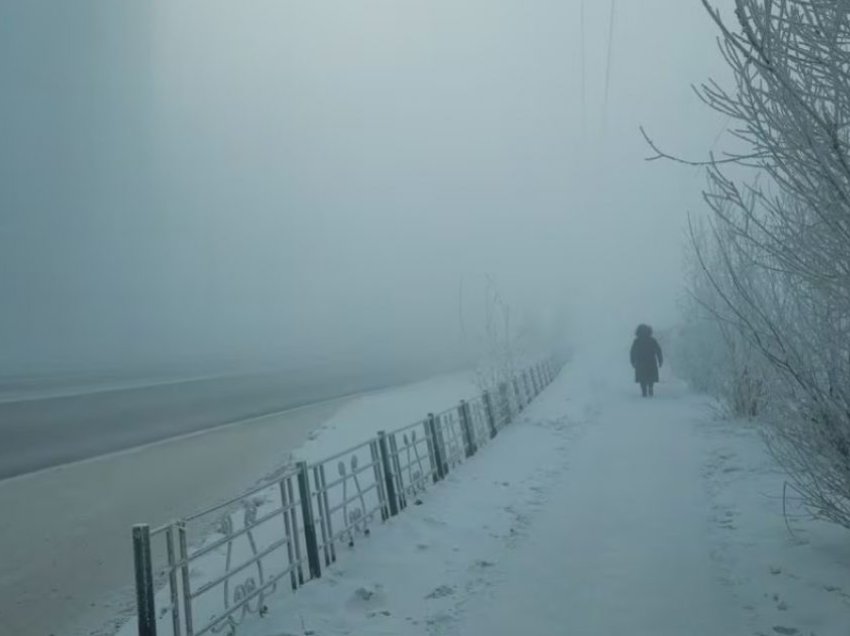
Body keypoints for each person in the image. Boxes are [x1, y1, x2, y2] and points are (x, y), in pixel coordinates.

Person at [630, 324, 663, 397]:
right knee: (650, 376)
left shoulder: (637, 341)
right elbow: (658, 351)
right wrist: (660, 360)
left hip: (640, 363)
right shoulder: (652, 340)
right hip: (651, 362)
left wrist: (633, 361)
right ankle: (650, 388)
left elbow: (632, 352)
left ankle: (644, 391)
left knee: (642, 378)